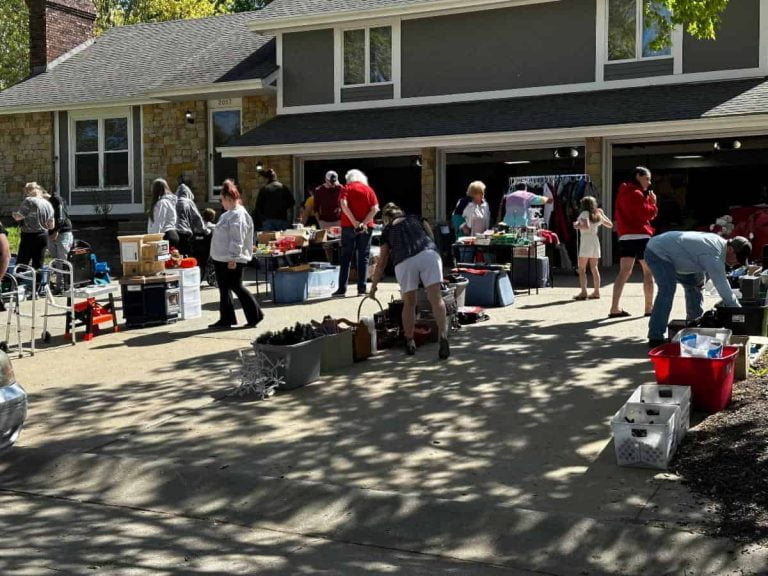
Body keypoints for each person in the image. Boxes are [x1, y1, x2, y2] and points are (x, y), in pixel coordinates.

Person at [370, 203, 450, 360]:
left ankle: (410, 340)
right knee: (436, 299)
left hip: (404, 259)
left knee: (409, 303)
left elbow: (382, 261)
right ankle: (443, 336)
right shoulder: (416, 218)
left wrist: (373, 287)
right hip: (429, 253)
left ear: (386, 218)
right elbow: (431, 237)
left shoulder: (387, 230)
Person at [644, 232, 751, 347]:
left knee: (695, 286)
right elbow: (722, 286)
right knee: (667, 289)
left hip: (677, 255)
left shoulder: (719, 244)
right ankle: (655, 337)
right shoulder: (714, 255)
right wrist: (739, 312)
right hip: (658, 252)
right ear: (730, 249)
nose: (738, 262)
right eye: (738, 258)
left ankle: (694, 329)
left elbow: (698, 256)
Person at [209, 179, 263, 329]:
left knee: (236, 286)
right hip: (222, 257)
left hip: (231, 258)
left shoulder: (237, 215)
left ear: (229, 199)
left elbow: (237, 237)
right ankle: (227, 318)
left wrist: (233, 257)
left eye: (222, 200)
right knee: (225, 288)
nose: (222, 203)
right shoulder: (229, 214)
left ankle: (255, 315)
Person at [609, 166, 658, 319]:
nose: (649, 183)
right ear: (638, 176)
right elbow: (647, 214)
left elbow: (618, 214)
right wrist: (653, 203)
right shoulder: (637, 194)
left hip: (625, 236)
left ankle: (614, 307)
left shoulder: (621, 193)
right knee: (648, 272)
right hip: (641, 235)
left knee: (624, 272)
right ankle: (649, 308)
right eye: (647, 178)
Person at [332, 169, 380, 297]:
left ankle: (342, 289)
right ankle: (361, 289)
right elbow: (375, 209)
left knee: (346, 257)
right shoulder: (369, 190)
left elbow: (343, 204)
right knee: (363, 257)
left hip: (348, 226)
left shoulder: (346, 188)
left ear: (349, 179)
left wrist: (353, 221)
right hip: (366, 227)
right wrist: (363, 223)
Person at [573, 196, 613, 301]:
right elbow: (610, 225)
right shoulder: (597, 214)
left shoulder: (584, 214)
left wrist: (577, 226)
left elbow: (585, 226)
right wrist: (603, 214)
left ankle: (583, 291)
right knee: (594, 268)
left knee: (581, 269)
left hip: (586, 241)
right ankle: (596, 291)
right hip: (595, 241)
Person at [12, 182, 55, 270]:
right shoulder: (47, 204)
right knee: (38, 264)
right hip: (43, 236)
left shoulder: (29, 201)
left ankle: (18, 282)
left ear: (28, 191)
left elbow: (19, 217)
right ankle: (38, 283)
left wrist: (14, 214)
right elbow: (51, 226)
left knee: (21, 263)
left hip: (29, 236)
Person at [175, 181, 205, 257]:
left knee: (176, 255)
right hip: (185, 232)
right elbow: (196, 218)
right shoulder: (189, 202)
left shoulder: (173, 202)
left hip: (174, 232)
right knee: (186, 254)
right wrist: (204, 230)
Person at [43, 188, 73, 263]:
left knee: (62, 256)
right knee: (55, 257)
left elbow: (61, 217)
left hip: (62, 231)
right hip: (51, 232)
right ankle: (59, 273)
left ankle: (65, 274)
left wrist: (56, 231)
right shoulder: (44, 204)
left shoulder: (56, 200)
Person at [147, 178, 179, 247]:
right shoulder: (169, 202)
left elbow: (159, 222)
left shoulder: (162, 203)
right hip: (172, 234)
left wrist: (152, 239)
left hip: (165, 236)